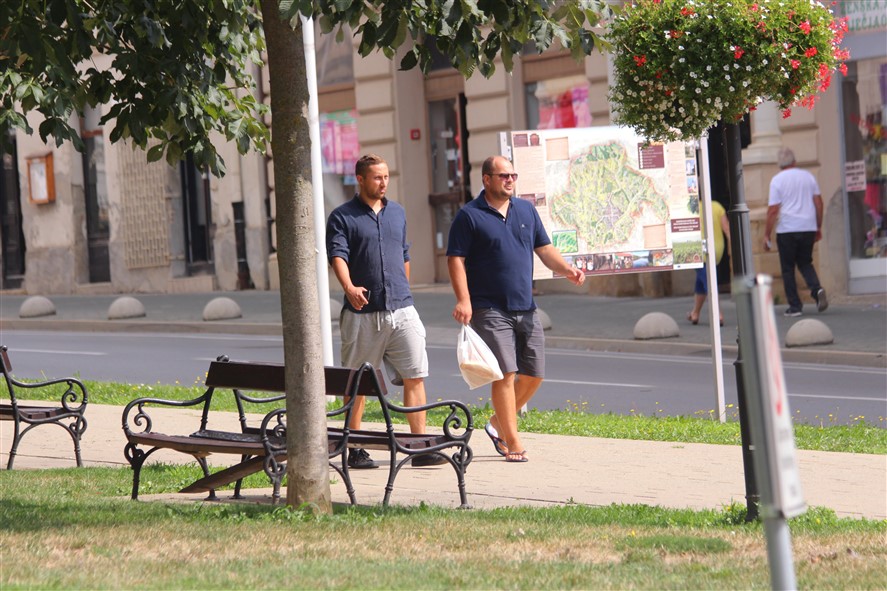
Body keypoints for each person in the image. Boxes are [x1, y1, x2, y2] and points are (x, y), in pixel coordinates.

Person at [446, 155, 585, 463]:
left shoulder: (525, 210)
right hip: (489, 308)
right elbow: (456, 259)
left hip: (526, 306)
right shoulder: (469, 216)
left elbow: (544, 249)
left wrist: (567, 269)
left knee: (534, 375)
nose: (510, 180)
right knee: (505, 374)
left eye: (513, 175)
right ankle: (513, 441)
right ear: (487, 179)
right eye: (503, 176)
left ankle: (496, 424)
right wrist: (464, 299)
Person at [326, 154, 445, 469]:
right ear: (360, 179)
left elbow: (404, 254)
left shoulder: (397, 213)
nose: (383, 182)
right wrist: (349, 287)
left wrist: (403, 288)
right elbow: (337, 256)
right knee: (357, 383)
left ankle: (419, 447)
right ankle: (355, 448)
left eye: (386, 176)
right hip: (363, 315)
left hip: (403, 310)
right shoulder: (342, 217)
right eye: (377, 177)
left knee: (415, 375)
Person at [763, 147, 829, 317]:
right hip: (807, 227)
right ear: (794, 161)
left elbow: (773, 210)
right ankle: (817, 290)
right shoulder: (808, 177)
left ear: (780, 164)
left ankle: (795, 306)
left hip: (787, 229)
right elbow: (819, 203)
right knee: (805, 262)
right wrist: (818, 226)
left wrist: (767, 234)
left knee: (788, 268)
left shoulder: (777, 181)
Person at [687, 200, 730, 326]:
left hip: (697, 250)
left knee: (708, 282)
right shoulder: (717, 207)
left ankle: (718, 314)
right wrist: (731, 246)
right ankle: (695, 313)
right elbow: (726, 229)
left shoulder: (691, 207)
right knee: (701, 281)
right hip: (716, 249)